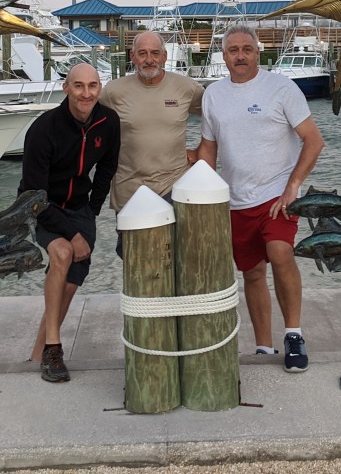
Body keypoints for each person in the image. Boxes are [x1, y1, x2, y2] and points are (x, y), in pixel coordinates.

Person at [196, 24, 324, 372]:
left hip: (277, 197)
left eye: (247, 49)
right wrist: (190, 175)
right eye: (233, 50)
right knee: (252, 273)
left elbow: (314, 141)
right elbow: (209, 148)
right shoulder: (213, 95)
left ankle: (294, 335)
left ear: (258, 53)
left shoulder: (281, 88)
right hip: (235, 200)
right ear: (224, 56)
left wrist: (293, 186)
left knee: (280, 253)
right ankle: (264, 347)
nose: (240, 56)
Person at [20, 63, 120, 382]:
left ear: (99, 89)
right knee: (62, 253)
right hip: (40, 205)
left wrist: (92, 211)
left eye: (92, 86)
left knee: (70, 285)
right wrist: (72, 235)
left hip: (79, 208)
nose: (86, 93)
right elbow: (34, 194)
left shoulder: (108, 122)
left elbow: (106, 169)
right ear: (66, 88)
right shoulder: (44, 128)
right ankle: (54, 349)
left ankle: (37, 354)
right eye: (78, 86)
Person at [99, 31, 203, 248]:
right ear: (132, 56)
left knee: (176, 255)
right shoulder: (112, 92)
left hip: (173, 188)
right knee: (135, 257)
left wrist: (200, 150)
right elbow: (88, 124)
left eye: (155, 53)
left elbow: (218, 119)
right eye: (142, 53)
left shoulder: (188, 88)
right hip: (130, 190)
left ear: (164, 56)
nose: (149, 59)